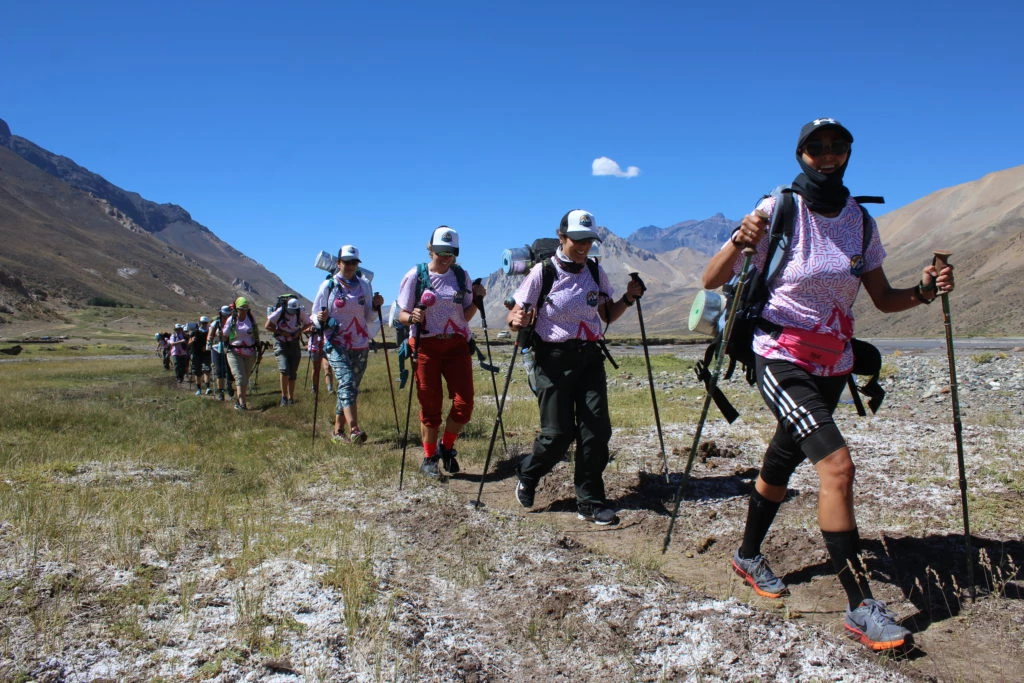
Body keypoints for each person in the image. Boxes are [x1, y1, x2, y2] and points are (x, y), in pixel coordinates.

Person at [702, 117, 955, 651]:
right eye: (815, 146)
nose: (827, 153)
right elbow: (711, 279)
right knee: (837, 466)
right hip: (779, 355)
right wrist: (736, 240)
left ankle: (747, 556)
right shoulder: (778, 210)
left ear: (848, 153)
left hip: (835, 363)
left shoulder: (861, 222)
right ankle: (861, 605)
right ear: (801, 154)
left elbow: (885, 299)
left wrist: (926, 291)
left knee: (782, 459)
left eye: (837, 145)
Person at [506, 209, 645, 525]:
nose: (583, 247)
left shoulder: (595, 272)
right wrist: (517, 320)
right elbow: (514, 315)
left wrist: (628, 298)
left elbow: (607, 315)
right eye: (577, 240)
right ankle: (528, 473)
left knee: (596, 432)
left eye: (589, 241)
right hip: (552, 361)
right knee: (557, 435)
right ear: (562, 237)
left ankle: (591, 502)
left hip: (589, 358)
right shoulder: (543, 273)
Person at [396, 227, 485, 476]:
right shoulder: (416, 275)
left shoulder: (460, 275)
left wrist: (477, 301)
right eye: (441, 252)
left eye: (451, 253)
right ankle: (429, 457)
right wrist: (411, 316)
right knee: (430, 404)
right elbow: (400, 314)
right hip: (427, 346)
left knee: (464, 403)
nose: (446, 257)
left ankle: (446, 447)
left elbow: (465, 314)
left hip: (457, 344)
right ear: (430, 249)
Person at [312, 245, 384, 443]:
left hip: (360, 342)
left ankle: (337, 431)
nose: (350, 266)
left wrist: (377, 306)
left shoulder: (364, 285)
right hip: (336, 341)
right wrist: (320, 318)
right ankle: (354, 429)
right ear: (338, 263)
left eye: (354, 262)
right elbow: (315, 314)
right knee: (346, 382)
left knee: (350, 387)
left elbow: (368, 316)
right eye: (347, 262)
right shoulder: (328, 286)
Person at [266, 298, 312, 406]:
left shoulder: (299, 311)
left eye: (294, 310)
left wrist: (299, 331)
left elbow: (309, 323)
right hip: (281, 343)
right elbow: (267, 325)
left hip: (294, 343)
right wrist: (281, 332)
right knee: (284, 369)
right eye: (290, 310)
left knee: (292, 372)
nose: (292, 313)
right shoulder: (280, 311)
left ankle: (291, 397)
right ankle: (284, 397)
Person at [223, 297, 261, 410]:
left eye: (246, 309)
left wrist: (258, 348)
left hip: (250, 351)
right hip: (234, 352)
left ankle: (239, 399)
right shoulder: (231, 320)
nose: (244, 311)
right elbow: (225, 335)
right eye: (241, 309)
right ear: (237, 309)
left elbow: (256, 334)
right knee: (240, 377)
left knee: (245, 377)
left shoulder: (251, 319)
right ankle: (242, 404)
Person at [207, 305, 236, 401]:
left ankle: (229, 385)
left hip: (229, 348)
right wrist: (211, 339)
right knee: (219, 371)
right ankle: (221, 392)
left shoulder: (233, 322)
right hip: (217, 348)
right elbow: (210, 335)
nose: (226, 317)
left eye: (228, 315)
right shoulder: (216, 323)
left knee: (230, 369)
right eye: (224, 315)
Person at [190, 317, 213, 395]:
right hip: (196, 354)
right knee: (197, 372)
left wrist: (206, 347)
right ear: (200, 323)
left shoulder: (210, 332)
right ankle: (199, 389)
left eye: (205, 323)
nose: (204, 324)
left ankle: (208, 388)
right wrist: (192, 340)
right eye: (203, 323)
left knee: (207, 370)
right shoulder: (194, 332)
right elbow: (188, 343)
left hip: (206, 353)